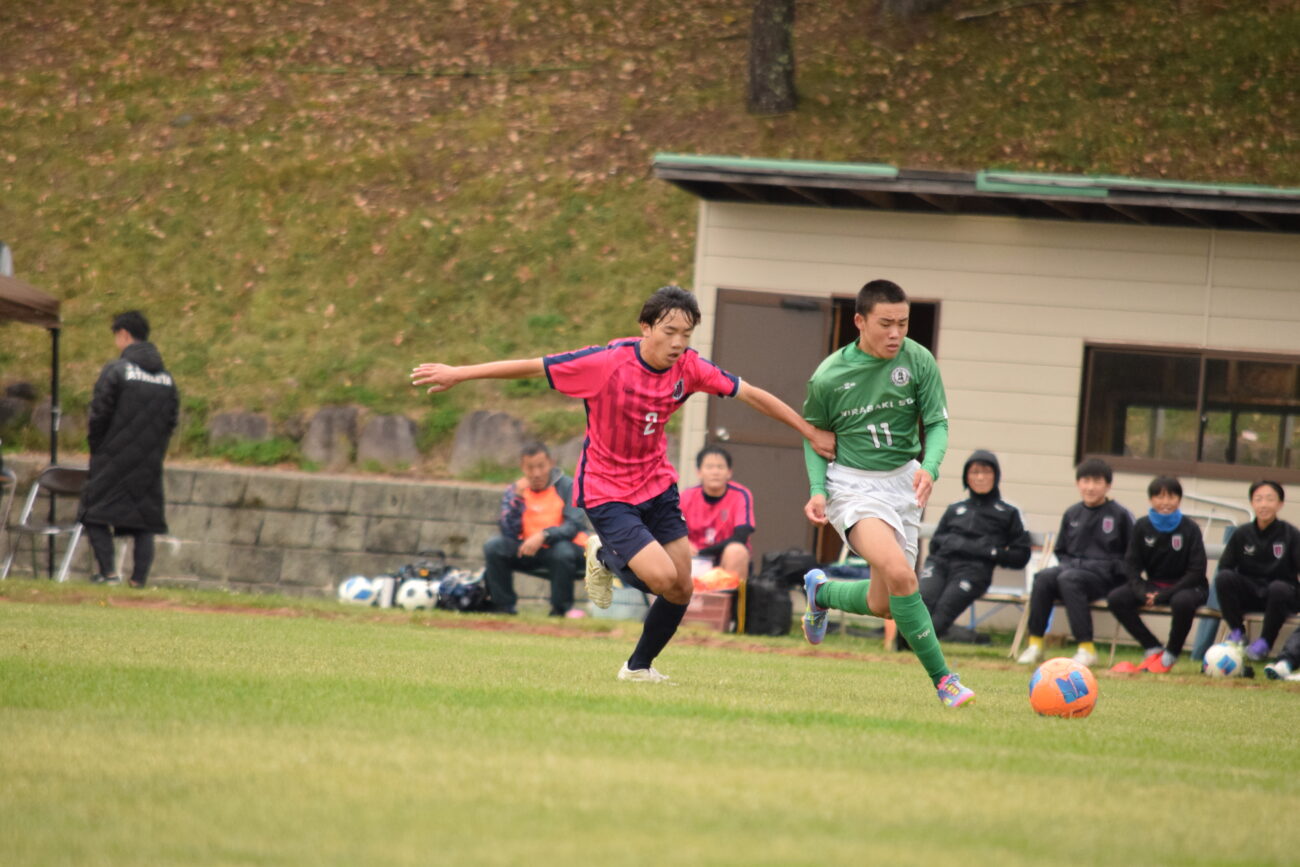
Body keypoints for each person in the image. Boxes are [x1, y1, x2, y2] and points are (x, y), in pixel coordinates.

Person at [411, 285, 834, 682]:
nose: (678, 343)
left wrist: (807, 431)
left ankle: (638, 668)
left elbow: (752, 393)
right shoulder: (606, 364)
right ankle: (604, 555)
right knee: (660, 579)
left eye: (686, 334)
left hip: (657, 486)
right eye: (669, 332)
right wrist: (460, 373)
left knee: (682, 588)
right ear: (645, 327)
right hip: (607, 490)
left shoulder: (689, 367)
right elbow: (533, 367)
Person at [797, 279, 976, 709]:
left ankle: (820, 594)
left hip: (903, 483)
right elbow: (814, 436)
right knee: (901, 574)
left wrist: (930, 469)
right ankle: (945, 681)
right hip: (853, 486)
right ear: (860, 321)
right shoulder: (829, 376)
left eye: (903, 323)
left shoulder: (918, 361)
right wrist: (818, 490)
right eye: (886, 324)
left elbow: (936, 424)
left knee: (887, 605)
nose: (896, 333)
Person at [79, 310, 179, 588]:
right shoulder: (167, 378)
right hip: (149, 460)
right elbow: (171, 420)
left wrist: (97, 448)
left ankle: (109, 574)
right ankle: (138, 581)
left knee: (92, 512)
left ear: (124, 334)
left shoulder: (117, 371)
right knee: (144, 521)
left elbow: (99, 413)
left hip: (111, 456)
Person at [1016, 458, 1133, 668]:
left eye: (1097, 482)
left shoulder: (1120, 515)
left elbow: (1131, 557)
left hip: (1105, 579)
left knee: (1069, 578)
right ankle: (1035, 644)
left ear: (1108, 485)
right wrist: (1072, 566)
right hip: (1071, 573)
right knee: (1043, 577)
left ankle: (1086, 649)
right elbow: (1061, 550)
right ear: (1078, 483)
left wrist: (1104, 568)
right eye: (1085, 481)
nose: (1090, 487)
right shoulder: (1072, 513)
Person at [919, 449, 1031, 643]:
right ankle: (906, 645)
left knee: (943, 610)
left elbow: (1021, 555)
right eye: (974, 472)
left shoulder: (1008, 512)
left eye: (986, 472)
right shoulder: (956, 508)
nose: (980, 477)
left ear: (996, 476)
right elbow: (935, 544)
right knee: (921, 604)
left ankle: (917, 647)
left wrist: (990, 552)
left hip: (974, 571)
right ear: (966, 477)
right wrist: (954, 544)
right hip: (940, 564)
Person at [1106, 476, 1208, 674]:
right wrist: (1142, 591)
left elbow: (1196, 571)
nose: (1165, 502)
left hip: (1189, 587)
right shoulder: (1142, 526)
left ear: (1179, 499)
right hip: (1155, 585)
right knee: (1117, 598)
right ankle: (1152, 646)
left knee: (1182, 602)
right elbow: (1132, 565)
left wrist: (1165, 595)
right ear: (1151, 500)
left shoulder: (1190, 528)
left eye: (1171, 496)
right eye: (1159, 497)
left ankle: (1171, 653)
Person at [482, 442, 589, 616]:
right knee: (494, 546)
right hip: (527, 550)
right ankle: (503, 606)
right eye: (530, 468)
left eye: (541, 466)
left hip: (563, 550)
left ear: (551, 463)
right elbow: (508, 531)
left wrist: (545, 535)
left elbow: (574, 526)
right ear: (522, 468)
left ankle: (560, 610)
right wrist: (517, 499)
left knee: (562, 552)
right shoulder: (515, 490)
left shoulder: (567, 486)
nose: (536, 473)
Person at [1213, 480, 1300, 661]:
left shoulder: (1291, 534)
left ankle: (1265, 643)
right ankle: (1237, 633)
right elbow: (1225, 566)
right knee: (1223, 577)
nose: (1264, 504)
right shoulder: (1241, 533)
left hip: (1281, 595)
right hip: (1250, 592)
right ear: (1252, 503)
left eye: (1270, 499)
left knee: (1279, 588)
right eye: (1258, 499)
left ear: (1280, 504)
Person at [679, 445, 754, 581]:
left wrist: (704, 553)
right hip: (692, 559)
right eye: (709, 467)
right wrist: (684, 545)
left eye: (720, 467)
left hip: (724, 558)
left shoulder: (741, 495)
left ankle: (732, 601)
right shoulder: (686, 496)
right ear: (699, 472)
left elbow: (741, 536)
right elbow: (671, 529)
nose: (715, 472)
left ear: (729, 472)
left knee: (737, 551)